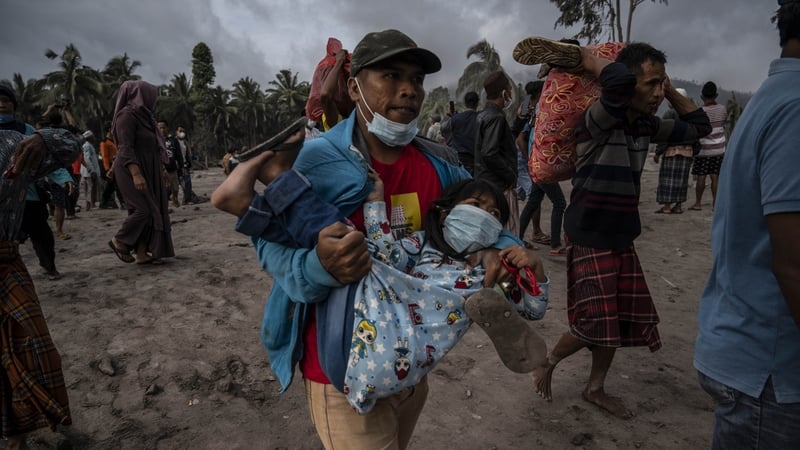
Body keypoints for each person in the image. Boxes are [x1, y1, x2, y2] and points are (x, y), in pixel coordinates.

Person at [212, 29, 530, 449]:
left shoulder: (441, 164)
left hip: (410, 360)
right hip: (341, 368)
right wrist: (320, 267)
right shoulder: (316, 158)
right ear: (353, 85)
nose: (408, 91)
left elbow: (480, 204)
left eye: (416, 80)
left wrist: (502, 246)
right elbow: (271, 249)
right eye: (391, 76)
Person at [515, 37, 712, 418]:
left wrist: (669, 91)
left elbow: (699, 126)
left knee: (616, 318)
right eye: (651, 83)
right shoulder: (598, 119)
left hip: (621, 235)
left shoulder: (646, 127)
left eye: (662, 83)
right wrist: (589, 61)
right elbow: (618, 84)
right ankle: (548, 362)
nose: (657, 92)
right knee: (592, 321)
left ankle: (594, 387)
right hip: (589, 233)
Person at [694, 1, 800, 447]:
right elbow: (792, 263)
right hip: (770, 371)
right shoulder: (793, 108)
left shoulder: (771, 97)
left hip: (751, 352)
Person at [1, 117, 75, 449]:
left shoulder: (10, 144)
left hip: (4, 259)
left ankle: (17, 435)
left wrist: (44, 139)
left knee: (25, 346)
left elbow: (68, 143)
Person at [108, 80, 175, 265]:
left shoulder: (146, 118)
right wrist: (136, 173)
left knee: (154, 209)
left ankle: (142, 252)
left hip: (150, 168)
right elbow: (125, 148)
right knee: (142, 209)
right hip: (132, 168)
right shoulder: (126, 116)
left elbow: (153, 147)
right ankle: (120, 240)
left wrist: (161, 169)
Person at [514, 80, 568, 255]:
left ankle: (518, 238)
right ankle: (555, 245)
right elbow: (521, 138)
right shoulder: (537, 111)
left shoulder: (532, 111)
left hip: (535, 163)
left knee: (533, 202)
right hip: (539, 163)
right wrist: (531, 159)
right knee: (559, 202)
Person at [474, 70, 520, 235]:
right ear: (504, 92)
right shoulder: (496, 117)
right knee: (505, 231)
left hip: (486, 181)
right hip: (498, 185)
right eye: (508, 89)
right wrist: (510, 176)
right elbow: (489, 153)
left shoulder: (483, 115)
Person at [653, 88, 698, 214]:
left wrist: (658, 152)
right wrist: (695, 150)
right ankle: (678, 206)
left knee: (667, 179)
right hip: (687, 152)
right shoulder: (691, 115)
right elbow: (695, 134)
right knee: (682, 180)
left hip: (671, 152)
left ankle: (667, 207)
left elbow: (663, 135)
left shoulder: (669, 114)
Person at [689, 81, 727, 211]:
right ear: (716, 95)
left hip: (704, 149)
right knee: (715, 175)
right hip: (719, 149)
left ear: (701, 96)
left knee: (701, 175)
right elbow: (723, 123)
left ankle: (698, 203)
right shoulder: (722, 109)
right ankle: (715, 204)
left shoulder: (700, 111)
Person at [441, 91, 480, 174]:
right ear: (477, 103)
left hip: (458, 160)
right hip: (476, 160)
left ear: (465, 103)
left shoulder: (455, 119)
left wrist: (453, 118)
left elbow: (443, 129)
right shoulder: (482, 118)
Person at [157, 119, 184, 208]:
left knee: (175, 188)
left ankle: (174, 198)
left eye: (163, 128)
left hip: (172, 168)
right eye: (159, 128)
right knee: (163, 189)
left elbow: (179, 154)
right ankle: (164, 206)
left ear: (167, 128)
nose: (162, 130)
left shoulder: (173, 140)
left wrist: (182, 166)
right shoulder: (155, 140)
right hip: (160, 170)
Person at [99, 129, 124, 209]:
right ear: (109, 130)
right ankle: (123, 203)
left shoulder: (113, 141)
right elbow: (104, 156)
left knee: (110, 187)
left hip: (115, 164)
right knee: (117, 185)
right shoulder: (104, 142)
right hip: (109, 166)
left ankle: (104, 202)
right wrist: (107, 169)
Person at [79, 130, 101, 211]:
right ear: (90, 138)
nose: (94, 138)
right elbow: (87, 159)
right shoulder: (87, 146)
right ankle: (90, 204)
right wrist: (92, 171)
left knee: (90, 187)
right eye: (93, 136)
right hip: (89, 171)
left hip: (89, 170)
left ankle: (91, 203)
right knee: (90, 188)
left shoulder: (89, 145)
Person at [175, 125, 194, 205]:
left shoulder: (185, 142)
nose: (182, 133)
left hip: (185, 165)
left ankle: (187, 199)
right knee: (174, 184)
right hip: (176, 166)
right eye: (180, 131)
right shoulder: (173, 141)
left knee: (187, 182)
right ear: (176, 132)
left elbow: (188, 154)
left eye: (183, 131)